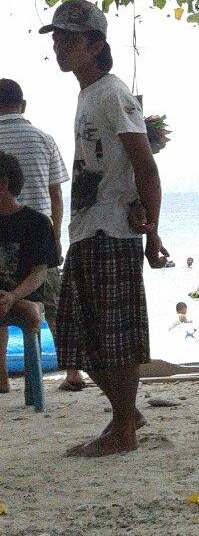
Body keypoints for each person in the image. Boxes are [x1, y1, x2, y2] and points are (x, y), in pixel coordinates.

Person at [42, 0, 168, 457]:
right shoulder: (89, 94)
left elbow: (146, 166)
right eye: (57, 38)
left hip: (111, 230)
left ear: (96, 45)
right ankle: (125, 414)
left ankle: (124, 429)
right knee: (76, 333)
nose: (60, 46)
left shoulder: (112, 93)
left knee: (114, 338)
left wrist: (152, 232)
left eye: (70, 39)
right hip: (87, 228)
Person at [0, 78, 86, 391]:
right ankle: (73, 372)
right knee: (56, 305)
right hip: (38, 236)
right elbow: (56, 195)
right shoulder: (44, 139)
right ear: (23, 105)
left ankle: (2, 375)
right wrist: (56, 236)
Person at [0, 151, 59, 393]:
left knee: (15, 302)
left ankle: (25, 305)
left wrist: (14, 296)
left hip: (24, 293)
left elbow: (39, 273)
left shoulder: (37, 223)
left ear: (3, 184)